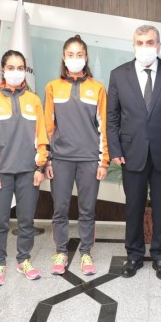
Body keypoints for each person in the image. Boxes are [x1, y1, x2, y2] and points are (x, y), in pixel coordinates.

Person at [107, 24, 161, 280]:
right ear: (134, 46)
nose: (145, 47)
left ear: (159, 46)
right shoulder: (118, 74)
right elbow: (112, 117)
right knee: (133, 206)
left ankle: (160, 256)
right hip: (130, 151)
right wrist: (115, 149)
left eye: (150, 42)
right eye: (140, 43)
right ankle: (134, 255)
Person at [0, 50, 49, 286]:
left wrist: (40, 167)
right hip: (1, 173)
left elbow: (42, 137)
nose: (16, 72)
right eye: (11, 68)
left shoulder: (34, 100)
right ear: (3, 71)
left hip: (29, 171)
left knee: (26, 221)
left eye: (20, 68)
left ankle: (23, 260)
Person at [44, 35, 109, 276]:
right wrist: (46, 160)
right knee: (60, 209)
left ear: (86, 57)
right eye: (70, 54)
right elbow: (47, 127)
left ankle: (86, 253)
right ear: (63, 57)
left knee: (87, 210)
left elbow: (104, 128)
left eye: (79, 54)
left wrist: (103, 161)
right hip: (60, 159)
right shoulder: (52, 87)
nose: (75, 58)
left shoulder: (98, 88)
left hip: (89, 159)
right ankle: (61, 251)